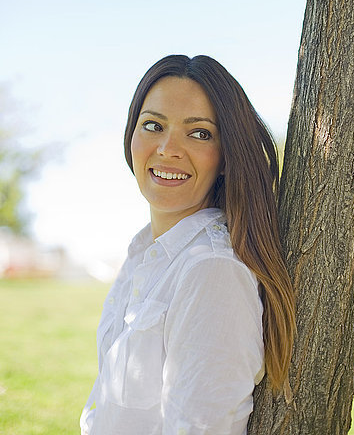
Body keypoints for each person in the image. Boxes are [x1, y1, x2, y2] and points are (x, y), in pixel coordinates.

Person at [80, 54, 296, 435]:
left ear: (227, 156)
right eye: (152, 125)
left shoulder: (211, 271)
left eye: (199, 133)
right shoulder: (146, 256)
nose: (167, 148)